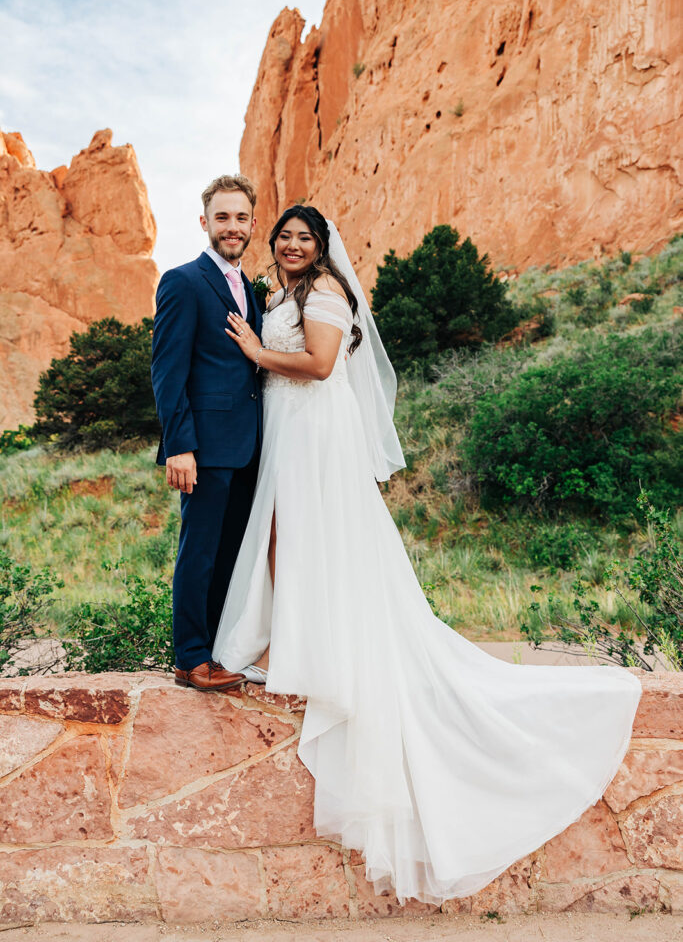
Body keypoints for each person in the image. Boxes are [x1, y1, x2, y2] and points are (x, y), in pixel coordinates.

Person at [212, 205, 642, 905]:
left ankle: (308, 645)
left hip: (315, 429)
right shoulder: (279, 294)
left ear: (321, 248)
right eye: (284, 236)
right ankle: (292, 638)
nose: (292, 245)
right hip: (289, 429)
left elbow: (320, 366)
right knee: (290, 535)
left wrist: (259, 355)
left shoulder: (325, 293)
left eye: (304, 237)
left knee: (310, 531)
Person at [151, 174, 263, 692]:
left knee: (230, 552)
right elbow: (167, 372)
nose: (232, 227)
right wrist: (179, 446)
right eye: (222, 217)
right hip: (205, 447)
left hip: (249, 447)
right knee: (198, 551)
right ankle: (190, 657)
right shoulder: (183, 281)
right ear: (205, 222)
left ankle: (218, 651)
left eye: (241, 217)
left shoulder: (252, 290)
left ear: (252, 224)